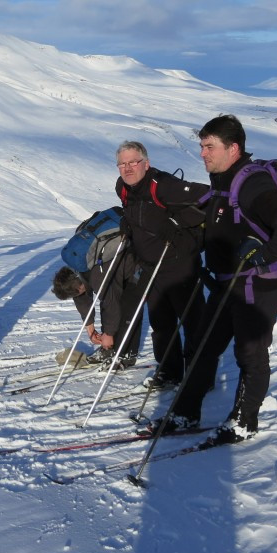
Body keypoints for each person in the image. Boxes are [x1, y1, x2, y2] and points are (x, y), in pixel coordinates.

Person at [160, 115, 277, 445]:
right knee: (202, 348)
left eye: (209, 146)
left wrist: (267, 253)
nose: (202, 153)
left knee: (250, 353)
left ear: (233, 148)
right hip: (226, 282)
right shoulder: (220, 181)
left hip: (258, 282)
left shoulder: (252, 183)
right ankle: (186, 413)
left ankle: (244, 422)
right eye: (201, 145)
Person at [115, 141, 209, 387]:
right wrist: (126, 222)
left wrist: (178, 223)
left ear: (146, 163)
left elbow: (208, 198)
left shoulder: (164, 186)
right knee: (161, 325)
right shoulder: (123, 189)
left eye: (133, 162)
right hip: (150, 267)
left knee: (193, 322)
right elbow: (137, 215)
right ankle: (170, 372)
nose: (127, 168)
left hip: (180, 266)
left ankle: (200, 376)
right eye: (122, 164)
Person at [52, 245, 143, 369]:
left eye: (75, 294)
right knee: (107, 304)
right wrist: (90, 329)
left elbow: (112, 305)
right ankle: (109, 349)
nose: (76, 296)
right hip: (112, 270)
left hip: (134, 267)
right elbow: (81, 300)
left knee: (128, 308)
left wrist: (109, 333)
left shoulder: (96, 277)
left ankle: (127, 355)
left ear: (79, 287)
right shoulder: (76, 269)